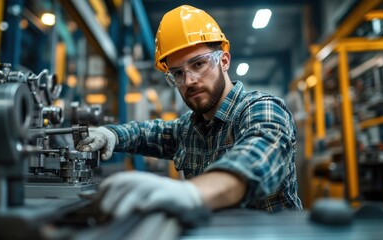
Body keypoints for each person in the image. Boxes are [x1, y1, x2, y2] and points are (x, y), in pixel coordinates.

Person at [76, 5, 302, 218]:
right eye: (178, 73)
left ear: (223, 61)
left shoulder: (263, 109)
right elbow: (147, 132)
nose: (189, 81)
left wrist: (191, 194)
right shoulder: (189, 128)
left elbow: (256, 160)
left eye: (198, 64)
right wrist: (111, 135)